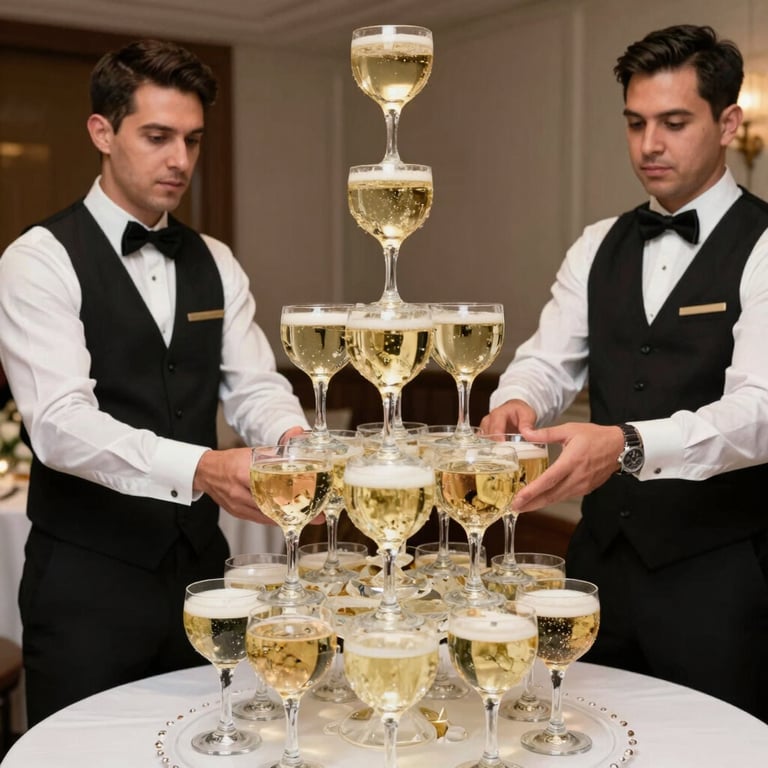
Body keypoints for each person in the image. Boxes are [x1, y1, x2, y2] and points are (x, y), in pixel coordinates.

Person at [0, 39, 309, 725]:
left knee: (209, 742)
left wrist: (294, 440)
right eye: (158, 137)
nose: (180, 162)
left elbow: (253, 384)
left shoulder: (216, 261)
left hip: (203, 578)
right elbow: (59, 426)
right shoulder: (38, 260)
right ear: (102, 132)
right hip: (86, 585)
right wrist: (202, 467)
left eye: (193, 141)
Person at [481, 24, 768, 722]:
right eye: (636, 124)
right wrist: (517, 399)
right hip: (596, 567)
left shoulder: (764, 243)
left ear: (728, 123)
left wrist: (630, 444)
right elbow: (547, 360)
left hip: (719, 576)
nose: (649, 146)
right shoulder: (595, 245)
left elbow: (759, 413)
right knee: (583, 735)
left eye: (674, 123)